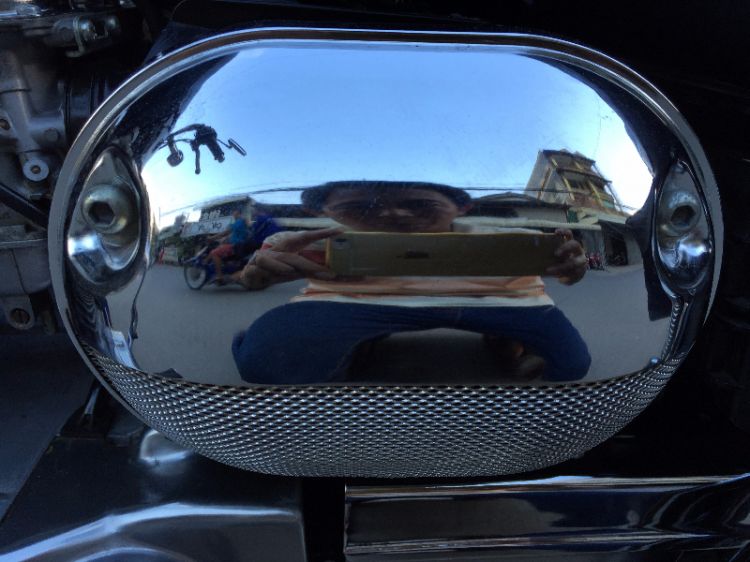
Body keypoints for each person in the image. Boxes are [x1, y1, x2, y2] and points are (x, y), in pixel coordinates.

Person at [232, 181, 591, 384]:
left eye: (420, 205)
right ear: (323, 213)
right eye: (361, 207)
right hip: (351, 301)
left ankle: (504, 340)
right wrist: (255, 275)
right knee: (263, 362)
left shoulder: (512, 240)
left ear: (461, 207)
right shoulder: (303, 242)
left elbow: (563, 272)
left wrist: (572, 269)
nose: (393, 214)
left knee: (571, 365)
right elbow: (253, 277)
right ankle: (512, 344)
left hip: (501, 301)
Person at [207, 208, 249, 285]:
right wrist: (223, 240)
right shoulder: (241, 222)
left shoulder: (238, 222)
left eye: (234, 212)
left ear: (238, 213)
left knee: (214, 253)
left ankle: (219, 276)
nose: (233, 214)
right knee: (220, 247)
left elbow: (225, 232)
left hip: (235, 246)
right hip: (239, 245)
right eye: (233, 212)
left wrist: (211, 238)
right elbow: (233, 234)